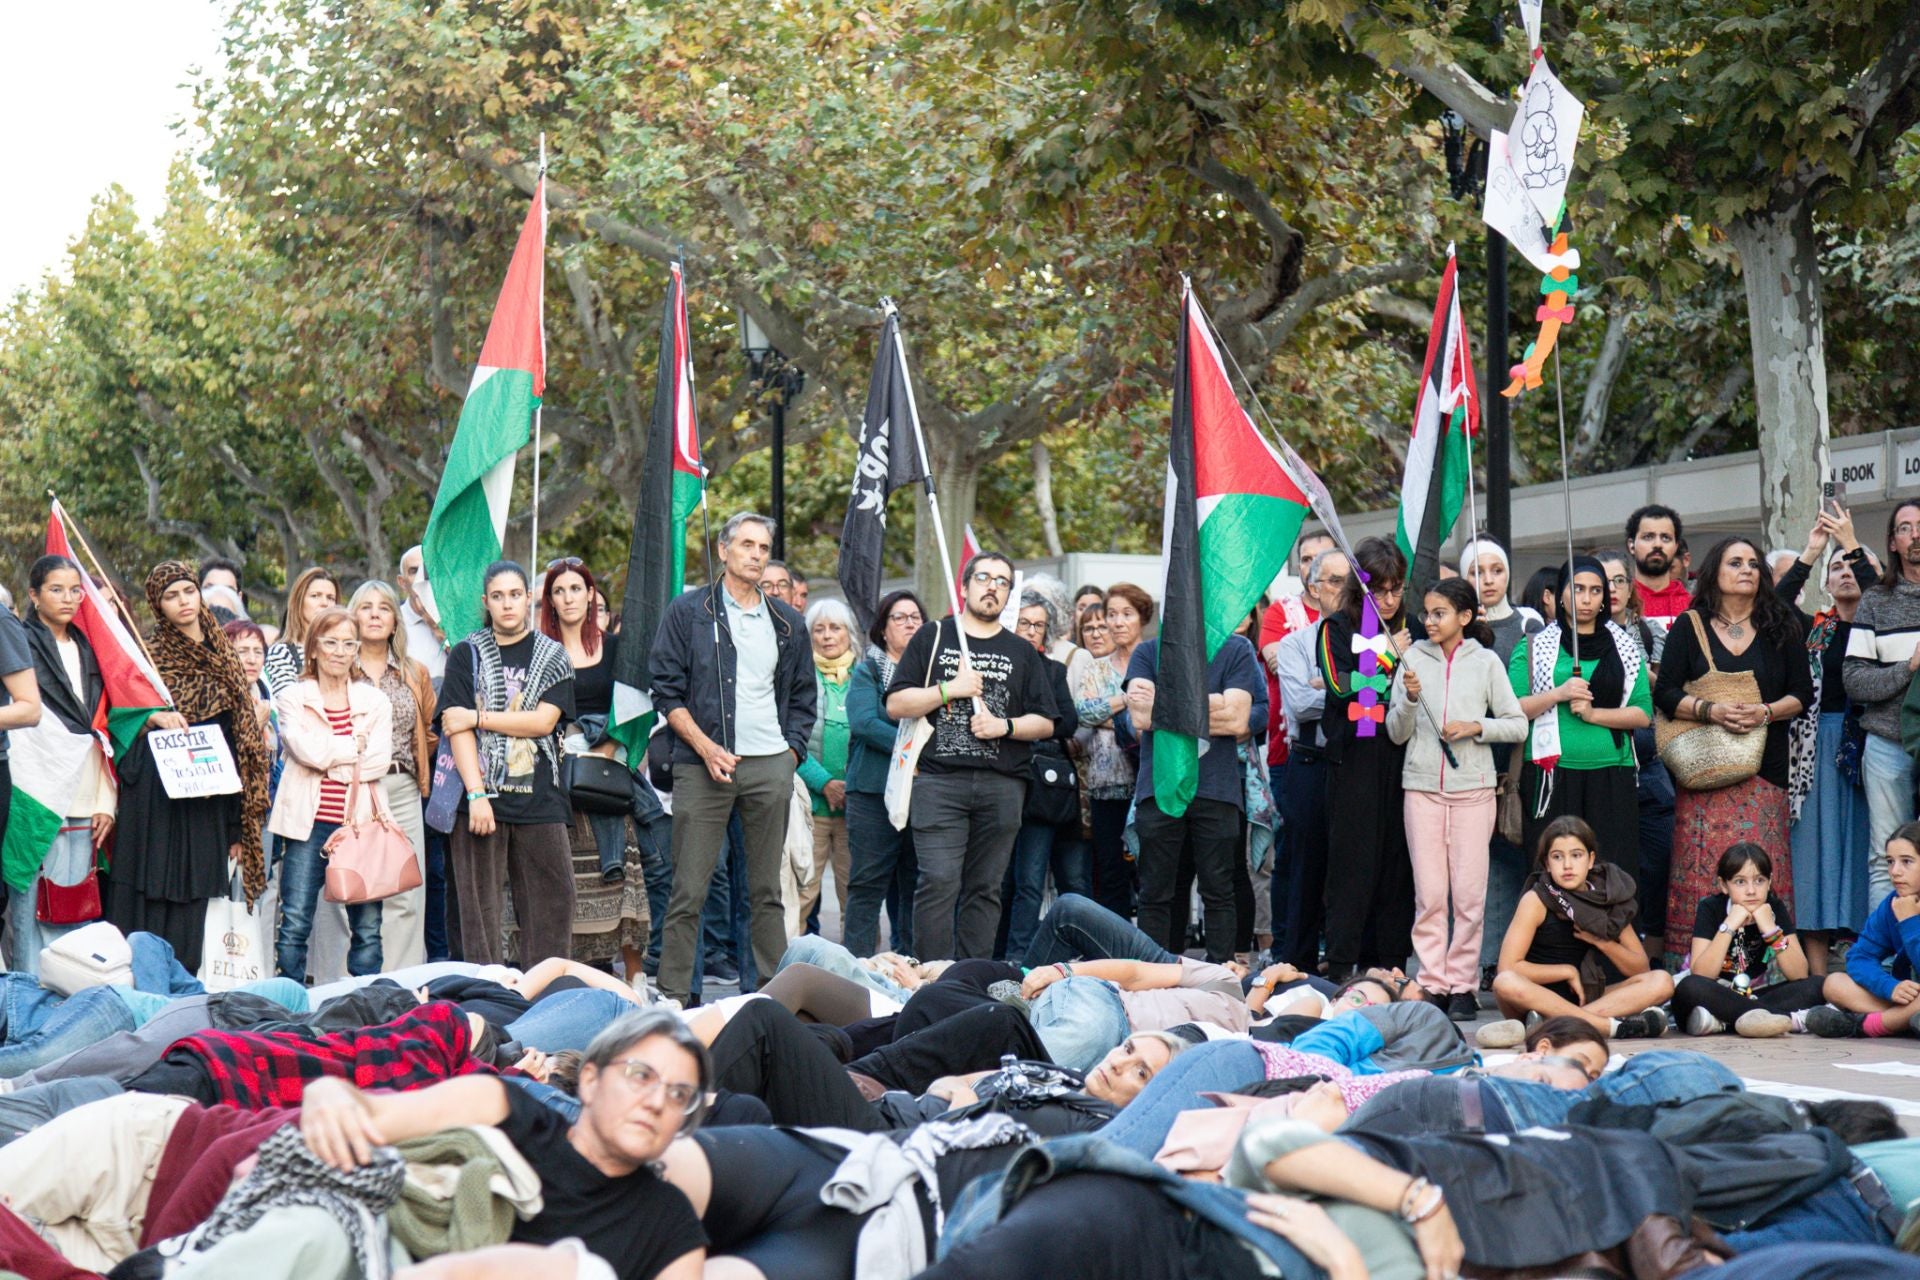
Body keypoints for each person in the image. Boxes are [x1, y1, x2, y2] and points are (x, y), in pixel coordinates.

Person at [297, 1010, 709, 1280]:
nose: (656, 1102)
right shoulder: (500, 1107)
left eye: (678, 1095)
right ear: (590, 1080)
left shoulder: (672, 1229)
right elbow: (371, 1115)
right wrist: (328, 1093)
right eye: (641, 1076)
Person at [652, 513, 815, 1001]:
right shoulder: (688, 611)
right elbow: (666, 689)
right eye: (746, 544)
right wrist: (704, 747)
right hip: (702, 763)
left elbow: (804, 697)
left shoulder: (788, 621)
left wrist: (790, 755)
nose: (755, 554)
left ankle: (771, 995)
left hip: (769, 765)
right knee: (689, 890)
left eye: (763, 547)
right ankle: (676, 997)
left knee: (767, 892)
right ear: (722, 551)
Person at [885, 550, 1058, 961]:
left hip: (1003, 785)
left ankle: (971, 981)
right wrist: (950, 689)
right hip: (938, 782)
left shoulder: (1022, 651)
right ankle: (932, 979)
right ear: (963, 587)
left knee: (986, 888)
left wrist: (1005, 726)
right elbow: (896, 704)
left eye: (1002, 581)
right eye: (984, 578)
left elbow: (1048, 721)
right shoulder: (932, 637)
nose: (992, 587)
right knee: (939, 881)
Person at [107, 563, 271, 970]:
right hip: (156, 800)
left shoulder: (226, 656)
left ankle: (186, 992)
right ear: (157, 606)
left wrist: (237, 825)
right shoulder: (147, 656)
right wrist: (152, 718)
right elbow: (115, 717)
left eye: (188, 591)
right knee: (149, 895)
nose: (183, 602)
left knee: (197, 898)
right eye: (171, 596)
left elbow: (241, 742)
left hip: (209, 800)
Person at [1656, 536, 1813, 959]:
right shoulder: (1690, 626)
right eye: (1734, 562)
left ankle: (1770, 972)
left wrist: (1764, 713)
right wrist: (1711, 711)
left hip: (1765, 770)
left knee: (1761, 874)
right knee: (1705, 875)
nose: (1746, 569)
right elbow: (1665, 693)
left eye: (1752, 563)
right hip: (1703, 772)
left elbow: (1803, 694)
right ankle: (1695, 971)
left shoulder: (1783, 625)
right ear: (1715, 573)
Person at [1387, 577, 1527, 1020]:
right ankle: (1432, 982)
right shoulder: (1410, 658)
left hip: (1474, 791)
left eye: (1439, 613)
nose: (1429, 621)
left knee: (1469, 897)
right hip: (1422, 789)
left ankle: (1463, 986)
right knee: (1429, 896)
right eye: (1427, 612)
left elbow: (1517, 724)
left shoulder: (1485, 662)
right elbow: (1395, 731)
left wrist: (1475, 727)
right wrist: (1409, 701)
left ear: (1464, 617)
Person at [437, 560, 578, 967]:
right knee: (478, 913)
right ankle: (486, 995)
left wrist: (478, 717)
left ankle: (547, 992)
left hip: (541, 796)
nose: (507, 604)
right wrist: (477, 793)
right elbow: (454, 726)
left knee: (553, 900)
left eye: (515, 595)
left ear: (528, 598)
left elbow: (543, 722)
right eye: (497, 597)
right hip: (482, 800)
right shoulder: (467, 653)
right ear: (486, 602)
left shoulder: (553, 655)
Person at [1118, 592, 1264, 964]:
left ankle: (1219, 977)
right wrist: (1214, 702)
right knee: (1156, 891)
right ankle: (1154, 977)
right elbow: (1139, 718)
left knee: (1219, 889)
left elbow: (1238, 720)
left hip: (1217, 787)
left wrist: (1168, 703)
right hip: (1160, 784)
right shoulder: (1148, 653)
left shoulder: (1237, 650)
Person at [540, 557, 655, 980]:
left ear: (591, 595)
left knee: (620, 881)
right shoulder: (541, 651)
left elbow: (637, 707)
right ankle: (575, 977)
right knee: (567, 882)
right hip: (556, 781)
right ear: (549, 600)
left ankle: (635, 980)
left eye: (576, 589)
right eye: (559, 591)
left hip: (606, 775)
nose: (568, 598)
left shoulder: (617, 648)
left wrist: (606, 748)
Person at [267, 606, 390, 981]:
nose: (339, 651)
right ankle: (288, 1000)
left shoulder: (374, 700)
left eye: (348, 644)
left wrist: (328, 756)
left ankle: (368, 999)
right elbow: (304, 751)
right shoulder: (293, 696)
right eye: (331, 642)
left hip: (360, 825)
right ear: (314, 647)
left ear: (356, 650)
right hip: (308, 824)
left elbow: (379, 761)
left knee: (367, 926)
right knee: (296, 920)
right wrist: (352, 750)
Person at [1510, 557, 1652, 877]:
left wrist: (1592, 714)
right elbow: (1515, 708)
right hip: (1551, 773)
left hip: (1613, 771)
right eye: (1577, 589)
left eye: (1595, 590)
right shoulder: (1534, 645)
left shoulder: (1624, 646)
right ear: (1559, 594)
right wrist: (1558, 694)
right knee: (1553, 870)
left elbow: (1643, 713)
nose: (1586, 599)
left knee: (1611, 870)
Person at [9, 556, 115, 974]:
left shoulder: (88, 648)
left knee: (73, 902)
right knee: (32, 903)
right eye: (56, 589)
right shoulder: (20, 643)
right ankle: (27, 996)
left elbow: (98, 729)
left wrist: (106, 800)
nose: (68, 598)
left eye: (75, 590)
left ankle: (66, 997)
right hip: (34, 790)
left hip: (84, 794)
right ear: (33, 595)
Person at [1780, 509, 1875, 972]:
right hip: (1814, 748)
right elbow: (1773, 607)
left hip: (1872, 745)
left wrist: (1851, 542)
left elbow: (1879, 593)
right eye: (1835, 566)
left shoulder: (1886, 619)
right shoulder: (1816, 628)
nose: (1844, 571)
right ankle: (1818, 975)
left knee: (1863, 849)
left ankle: (1864, 963)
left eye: (1853, 564)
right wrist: (1813, 550)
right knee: (1815, 852)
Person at [1316, 537, 1414, 980]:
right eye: (1381, 591)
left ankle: (1389, 964)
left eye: (1397, 590)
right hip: (1354, 757)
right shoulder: (1336, 628)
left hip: (1401, 756)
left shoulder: (1411, 623)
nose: (1390, 600)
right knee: (1353, 866)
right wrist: (1391, 656)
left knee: (1397, 867)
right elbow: (1341, 689)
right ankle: (1340, 965)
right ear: (1362, 588)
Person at [1482, 816, 1672, 1040]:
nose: (1567, 865)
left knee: (1662, 981)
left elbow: (1640, 968)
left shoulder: (1605, 896)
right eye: (1557, 857)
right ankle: (1611, 1028)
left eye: (1576, 855)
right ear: (1546, 864)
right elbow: (1508, 967)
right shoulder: (1537, 899)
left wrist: (1602, 942)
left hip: (1587, 999)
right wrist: (1566, 971)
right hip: (1535, 998)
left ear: (1590, 860)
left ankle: (1560, 1024)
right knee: (1505, 983)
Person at [349, 580, 436, 972]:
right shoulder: (339, 669)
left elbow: (429, 732)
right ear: (353, 616)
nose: (374, 614)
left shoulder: (414, 673)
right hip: (351, 787)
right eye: (365, 607)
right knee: (353, 882)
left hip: (401, 785)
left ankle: (400, 982)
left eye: (383, 608)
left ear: (395, 620)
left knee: (406, 887)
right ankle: (345, 982)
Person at [1001, 584, 1087, 962]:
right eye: (1025, 623)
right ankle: (1019, 959)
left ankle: (1085, 951)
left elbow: (1069, 720)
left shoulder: (1053, 670)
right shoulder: (1003, 669)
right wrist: (1038, 723)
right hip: (1021, 788)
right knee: (1027, 884)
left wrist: (1031, 724)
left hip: (1058, 789)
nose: (1032, 630)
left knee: (1075, 880)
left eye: (1039, 625)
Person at [1844, 501, 1920, 914]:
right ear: (1892, 542)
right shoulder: (1876, 600)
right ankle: (1887, 965)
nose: (1916, 535)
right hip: (1888, 743)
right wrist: (1907, 668)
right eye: (1905, 528)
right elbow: (1854, 680)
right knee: (1887, 857)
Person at [1274, 548, 1347, 971]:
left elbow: (1378, 702)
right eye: (1333, 581)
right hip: (1308, 764)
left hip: (1355, 766)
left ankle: (1342, 962)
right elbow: (1300, 704)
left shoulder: (1368, 641)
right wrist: (1350, 690)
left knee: (1349, 869)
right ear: (1314, 590)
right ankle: (1296, 963)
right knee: (1303, 868)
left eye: (1349, 582)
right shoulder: (1295, 644)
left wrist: (1335, 686)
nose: (1343, 590)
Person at [842, 589, 924, 956]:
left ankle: (907, 966)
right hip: (872, 794)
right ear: (883, 629)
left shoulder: (934, 674)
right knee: (867, 883)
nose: (909, 623)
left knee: (914, 883)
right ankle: (856, 968)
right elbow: (864, 723)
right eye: (900, 618)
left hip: (921, 794)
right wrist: (913, 752)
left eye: (916, 618)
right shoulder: (868, 670)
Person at [1674, 842, 1824, 1036]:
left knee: (1817, 984)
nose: (1751, 891)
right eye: (1740, 882)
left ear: (1769, 882)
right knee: (1689, 987)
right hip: (1714, 993)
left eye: (1759, 881)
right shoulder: (1710, 908)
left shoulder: (1774, 908)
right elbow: (1701, 974)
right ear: (1723, 885)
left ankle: (1723, 1021)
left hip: (1753, 994)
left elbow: (1799, 973)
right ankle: (1791, 1020)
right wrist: (1729, 925)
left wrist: (1771, 929)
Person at [1067, 603, 1137, 923]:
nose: (1100, 631)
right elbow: (1085, 712)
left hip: (1145, 781)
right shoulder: (1094, 669)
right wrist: (1126, 701)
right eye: (1090, 627)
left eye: (1104, 624)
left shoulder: (1146, 662)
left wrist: (1107, 716)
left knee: (1146, 870)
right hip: (1105, 784)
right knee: (1110, 871)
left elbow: (1152, 717)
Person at [1818, 821, 1920, 1038]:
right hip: (1909, 999)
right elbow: (1860, 957)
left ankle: (1866, 1025)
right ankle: (1905, 1020)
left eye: (1907, 862)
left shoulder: (1904, 910)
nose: (1895, 871)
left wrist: (1910, 922)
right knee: (1834, 983)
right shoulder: (1892, 904)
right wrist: (1889, 987)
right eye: (1890, 862)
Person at [798, 597, 857, 929]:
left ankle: (860, 969)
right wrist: (825, 784)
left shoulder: (864, 678)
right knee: (803, 892)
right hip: (811, 808)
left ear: (850, 634)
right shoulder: (801, 679)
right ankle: (788, 968)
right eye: (818, 629)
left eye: (835, 628)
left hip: (854, 809)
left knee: (855, 893)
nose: (827, 636)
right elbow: (791, 741)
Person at [262, 566, 340, 695]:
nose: (324, 603)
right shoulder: (282, 653)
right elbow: (287, 705)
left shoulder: (345, 650)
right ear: (299, 602)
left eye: (331, 598)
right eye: (315, 596)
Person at [1628, 503, 1689, 626]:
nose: (1657, 544)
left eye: (1666, 538)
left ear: (1676, 547)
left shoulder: (1695, 607)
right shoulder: (1621, 602)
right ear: (1631, 545)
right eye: (1648, 537)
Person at [398, 543, 448, 681]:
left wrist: (435, 627)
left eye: (428, 569)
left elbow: (468, 664)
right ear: (402, 582)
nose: (423, 578)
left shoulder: (456, 616)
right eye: (414, 571)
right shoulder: (393, 621)